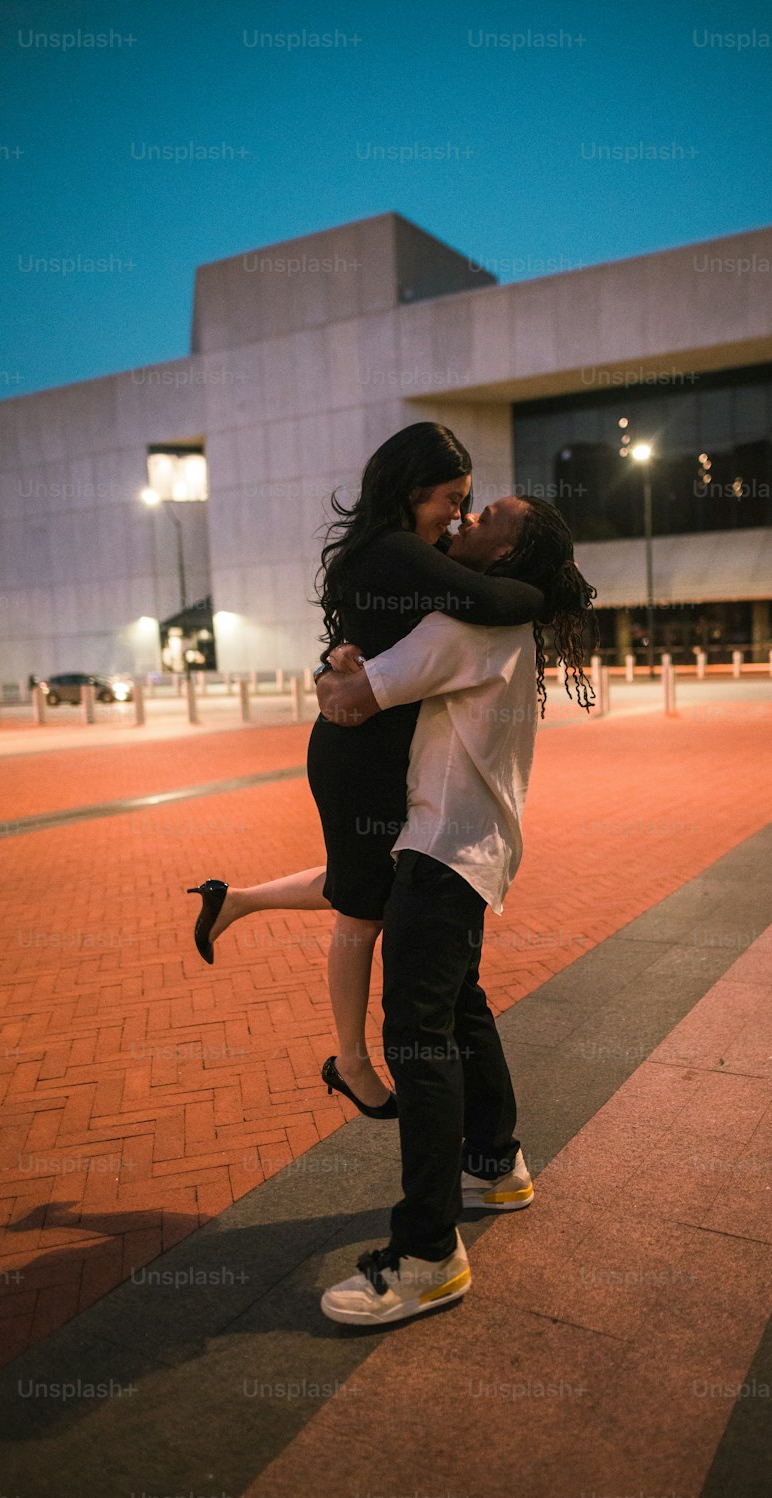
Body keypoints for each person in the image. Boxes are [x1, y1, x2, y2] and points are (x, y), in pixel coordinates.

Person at [187, 424, 544, 1117]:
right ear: (412, 489)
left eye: (468, 502)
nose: (460, 514)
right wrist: (546, 592)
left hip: (373, 739)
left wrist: (332, 666)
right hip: (361, 748)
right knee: (363, 907)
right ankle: (350, 1061)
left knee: (364, 880)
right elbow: (494, 601)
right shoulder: (397, 550)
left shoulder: (405, 548)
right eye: (451, 497)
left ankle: (236, 900)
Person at [314, 494, 597, 1325]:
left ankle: (428, 1253)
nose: (465, 521)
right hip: (478, 850)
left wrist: (337, 661)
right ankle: (495, 1160)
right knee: (458, 1008)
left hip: (438, 853)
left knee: (417, 1037)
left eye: (487, 520)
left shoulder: (461, 628)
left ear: (506, 557)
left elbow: (349, 701)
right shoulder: (503, 628)